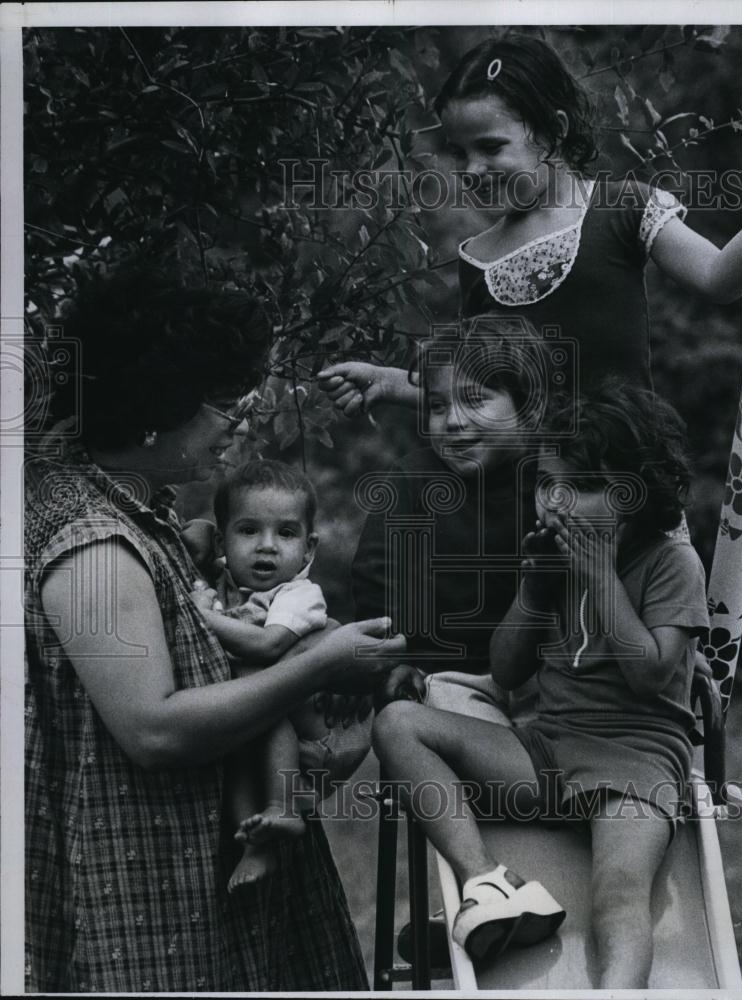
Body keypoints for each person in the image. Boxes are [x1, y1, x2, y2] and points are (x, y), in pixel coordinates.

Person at [24, 264, 404, 993]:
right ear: (157, 405)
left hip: (201, 874)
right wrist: (322, 664)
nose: (238, 428)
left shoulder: (142, 511)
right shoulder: (93, 544)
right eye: (226, 407)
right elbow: (154, 730)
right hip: (147, 892)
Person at [372, 379, 710, 987]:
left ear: (636, 495)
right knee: (397, 724)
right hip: (548, 753)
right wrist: (532, 589)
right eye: (548, 483)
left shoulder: (669, 563)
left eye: (580, 487)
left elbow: (652, 673)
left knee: (617, 898)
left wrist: (602, 576)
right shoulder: (553, 562)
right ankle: (487, 884)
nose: (555, 502)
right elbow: (507, 671)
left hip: (634, 767)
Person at [317, 33, 742, 413]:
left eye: (492, 147)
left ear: (554, 129)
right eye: (461, 153)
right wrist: (390, 382)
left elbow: (721, 279)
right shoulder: (477, 259)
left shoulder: (625, 209)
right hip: (534, 503)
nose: (472, 170)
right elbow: (478, 392)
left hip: (630, 488)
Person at [185, 459, 373, 893]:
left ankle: (281, 806)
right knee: (235, 750)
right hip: (266, 736)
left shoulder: (298, 595)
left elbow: (265, 646)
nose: (266, 546)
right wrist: (197, 538)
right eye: (248, 531)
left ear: (308, 550)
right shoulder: (231, 585)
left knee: (256, 687)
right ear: (224, 539)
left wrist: (202, 619)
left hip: (313, 744)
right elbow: (192, 541)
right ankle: (257, 842)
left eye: (285, 534)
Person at [351, 316, 546, 719]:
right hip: (437, 679)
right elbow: (377, 578)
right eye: (438, 406)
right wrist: (395, 662)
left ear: (527, 406)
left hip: (546, 679)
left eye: (475, 400)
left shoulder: (552, 481)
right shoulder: (413, 479)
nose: (453, 421)